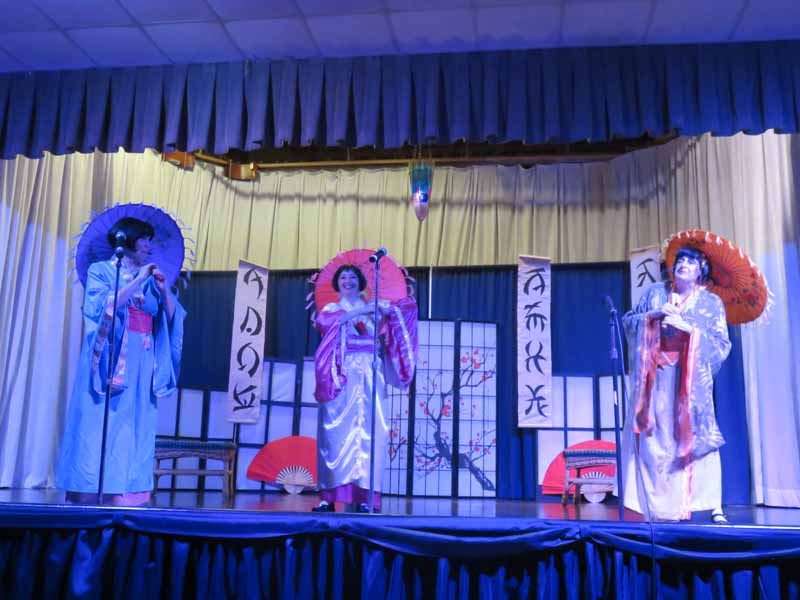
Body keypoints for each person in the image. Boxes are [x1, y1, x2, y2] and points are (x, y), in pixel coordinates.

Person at [56, 216, 186, 506]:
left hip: (143, 357)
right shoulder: (102, 271)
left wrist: (163, 289)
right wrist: (137, 280)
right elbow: (102, 307)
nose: (149, 246)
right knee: (102, 420)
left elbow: (171, 317)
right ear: (126, 239)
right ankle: (92, 488)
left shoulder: (151, 279)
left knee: (136, 421)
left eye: (150, 240)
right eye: (144, 239)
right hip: (112, 356)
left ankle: (130, 489)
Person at [620, 246, 731, 523]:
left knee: (693, 435)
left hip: (689, 383)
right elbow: (629, 322)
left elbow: (721, 344)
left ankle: (706, 503)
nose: (683, 264)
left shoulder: (710, 303)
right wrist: (654, 316)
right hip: (657, 377)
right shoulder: (655, 293)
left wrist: (689, 330)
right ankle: (657, 507)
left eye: (691, 262)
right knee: (655, 438)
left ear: (701, 270)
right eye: (680, 260)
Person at [311, 263, 417, 513]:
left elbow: (395, 326)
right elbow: (327, 324)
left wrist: (389, 312)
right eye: (343, 277)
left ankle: (366, 497)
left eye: (352, 277)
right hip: (341, 373)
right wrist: (362, 311)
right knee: (334, 433)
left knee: (371, 432)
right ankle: (328, 496)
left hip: (369, 371)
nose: (347, 281)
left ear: (360, 282)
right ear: (337, 283)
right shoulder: (331, 309)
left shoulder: (375, 309)